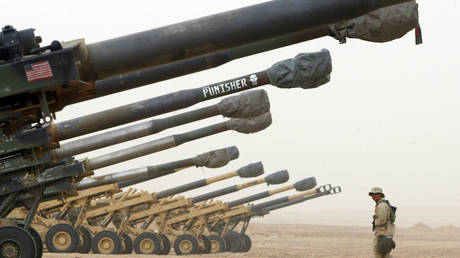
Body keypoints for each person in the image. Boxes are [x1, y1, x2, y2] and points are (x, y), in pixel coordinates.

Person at [369, 187, 395, 258]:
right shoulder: (381, 205)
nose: (373, 196)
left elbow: (382, 221)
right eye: (372, 194)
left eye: (376, 194)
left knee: (379, 255)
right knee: (385, 255)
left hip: (383, 234)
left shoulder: (382, 206)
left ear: (380, 195)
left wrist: (375, 221)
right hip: (384, 234)